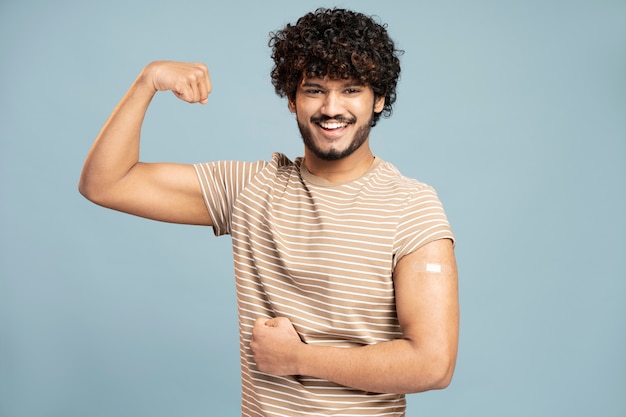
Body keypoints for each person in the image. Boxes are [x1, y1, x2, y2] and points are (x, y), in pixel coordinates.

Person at [79, 7, 459, 416]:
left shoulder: (411, 205)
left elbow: (432, 364)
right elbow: (106, 183)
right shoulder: (251, 189)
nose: (332, 107)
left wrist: (299, 359)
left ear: (379, 99)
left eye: (351, 90)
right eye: (314, 89)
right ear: (292, 100)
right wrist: (147, 81)